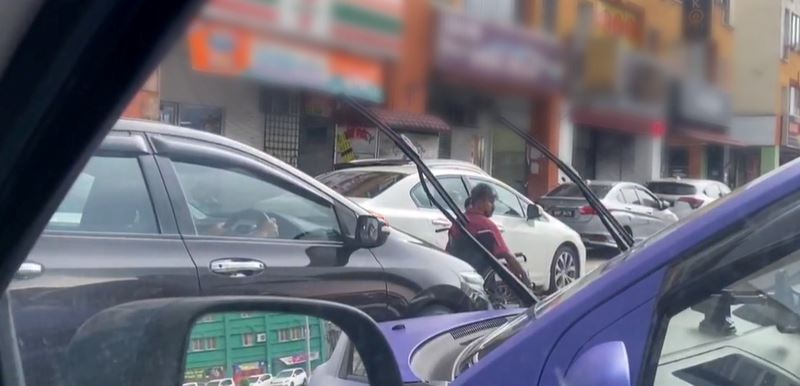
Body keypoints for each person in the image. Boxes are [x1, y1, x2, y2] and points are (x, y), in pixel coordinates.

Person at [447, 183, 532, 287]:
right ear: (481, 201)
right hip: (481, 275)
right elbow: (507, 255)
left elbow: (449, 250)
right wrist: (524, 278)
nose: (493, 206)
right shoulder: (487, 226)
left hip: (459, 273)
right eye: (491, 202)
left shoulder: (458, 222)